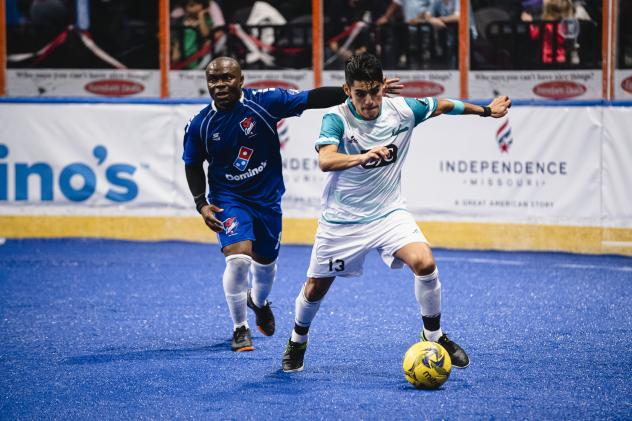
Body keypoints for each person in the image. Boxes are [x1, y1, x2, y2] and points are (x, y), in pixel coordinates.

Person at [281, 53, 511, 372]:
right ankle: (297, 340)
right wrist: (362, 156)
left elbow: (443, 105)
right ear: (348, 91)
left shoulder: (402, 110)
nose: (369, 100)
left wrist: (486, 111)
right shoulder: (336, 118)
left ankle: (434, 335)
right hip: (342, 221)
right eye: (360, 93)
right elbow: (326, 160)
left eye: (375, 90)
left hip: (389, 213)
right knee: (316, 288)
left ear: (382, 86)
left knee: (425, 262)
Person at [182, 56, 403, 352]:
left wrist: (357, 92)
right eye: (214, 80)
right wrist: (201, 203)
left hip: (267, 198)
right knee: (238, 259)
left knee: (266, 265)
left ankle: (258, 303)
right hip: (228, 199)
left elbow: (311, 98)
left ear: (241, 80)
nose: (220, 85)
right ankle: (239, 328)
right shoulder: (200, 124)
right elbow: (193, 164)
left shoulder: (266, 102)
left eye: (227, 78)